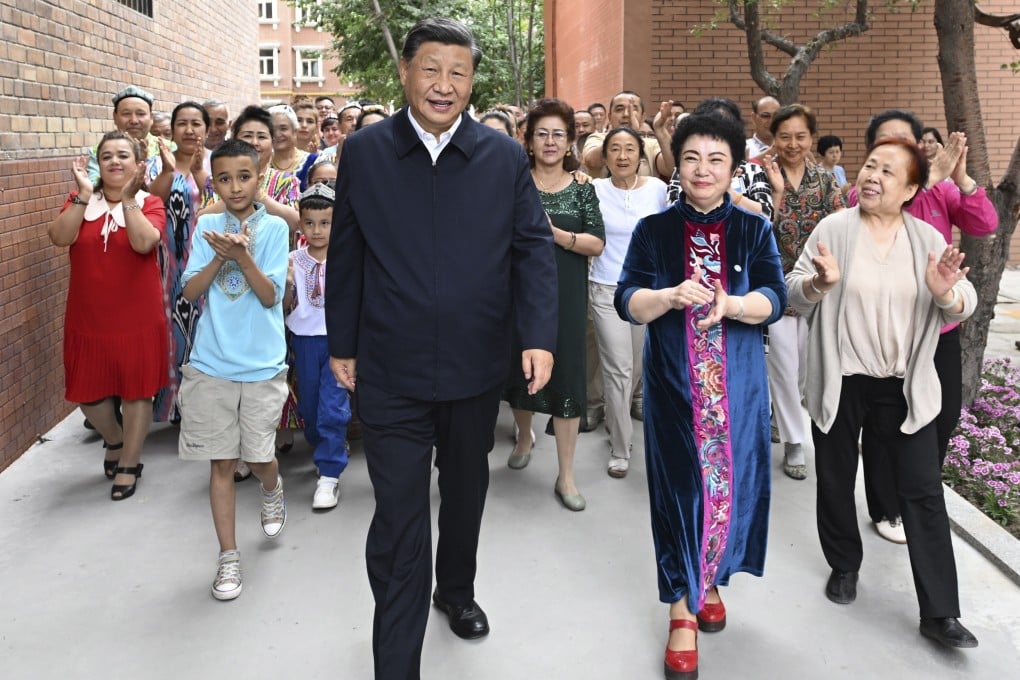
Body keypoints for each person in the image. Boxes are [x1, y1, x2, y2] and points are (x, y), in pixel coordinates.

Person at [325, 17, 557, 680]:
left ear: (472, 80)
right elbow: (347, 251)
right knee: (399, 519)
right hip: (390, 366)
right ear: (404, 72)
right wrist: (342, 339)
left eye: (458, 72)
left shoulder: (502, 156)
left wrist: (538, 334)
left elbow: (532, 249)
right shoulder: (366, 152)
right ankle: (396, 664)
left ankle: (455, 590)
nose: (444, 85)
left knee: (464, 489)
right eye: (431, 69)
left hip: (475, 364)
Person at [787, 137, 979, 650]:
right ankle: (844, 566)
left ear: (912, 188)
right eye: (870, 165)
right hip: (842, 379)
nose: (872, 176)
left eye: (888, 172)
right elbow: (794, 292)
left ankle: (940, 612)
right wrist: (817, 285)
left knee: (921, 490)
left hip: (902, 384)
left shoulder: (926, 238)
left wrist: (946, 293)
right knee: (834, 476)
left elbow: (964, 299)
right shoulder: (833, 229)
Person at [614, 113, 785, 680]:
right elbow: (627, 300)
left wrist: (734, 305)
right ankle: (681, 608)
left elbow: (774, 298)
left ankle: (709, 578)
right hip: (673, 390)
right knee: (681, 493)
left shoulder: (753, 229)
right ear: (675, 164)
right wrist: (665, 296)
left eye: (716, 159)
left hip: (736, 392)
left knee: (729, 490)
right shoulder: (653, 231)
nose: (703, 169)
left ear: (734, 167)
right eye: (691, 158)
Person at [849, 110, 997, 543]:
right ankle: (885, 506)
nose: (892, 153)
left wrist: (964, 180)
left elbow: (985, 224)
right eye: (882, 146)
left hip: (938, 331)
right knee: (882, 425)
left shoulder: (941, 192)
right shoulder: (862, 196)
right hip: (885, 335)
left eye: (904, 144)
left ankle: (918, 492)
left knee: (943, 414)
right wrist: (929, 179)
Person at [178, 139, 291, 601]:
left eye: (243, 177)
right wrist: (220, 255)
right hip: (211, 363)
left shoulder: (276, 230)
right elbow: (190, 294)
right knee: (222, 461)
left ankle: (272, 485)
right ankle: (228, 557)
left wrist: (241, 254)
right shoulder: (206, 226)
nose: (234, 186)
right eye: (223, 178)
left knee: (259, 455)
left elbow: (270, 297)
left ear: (258, 177)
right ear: (213, 182)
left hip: (262, 364)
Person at [48, 131, 168, 500]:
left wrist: (129, 200)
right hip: (88, 316)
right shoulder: (81, 200)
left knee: (137, 394)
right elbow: (59, 236)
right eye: (106, 156)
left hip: (137, 316)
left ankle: (129, 462)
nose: (114, 162)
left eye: (122, 156)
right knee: (88, 394)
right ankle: (115, 440)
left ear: (138, 164)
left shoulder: (150, 203)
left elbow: (144, 242)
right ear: (97, 164)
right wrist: (83, 197)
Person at [504, 98, 605, 511]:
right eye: (541, 133)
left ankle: (566, 474)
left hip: (567, 295)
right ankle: (524, 434)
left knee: (567, 379)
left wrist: (556, 234)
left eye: (557, 135)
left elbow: (597, 242)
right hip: (517, 294)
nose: (549, 141)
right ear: (528, 140)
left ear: (570, 142)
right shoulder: (513, 182)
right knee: (519, 370)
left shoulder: (582, 187)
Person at [761, 104, 842, 480]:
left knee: (806, 368)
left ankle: (783, 415)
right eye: (784, 136)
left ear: (811, 137)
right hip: (773, 285)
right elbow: (752, 226)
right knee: (782, 363)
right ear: (773, 137)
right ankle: (795, 441)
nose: (792, 144)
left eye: (800, 136)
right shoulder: (757, 174)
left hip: (814, 287)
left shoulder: (826, 182)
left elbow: (841, 231)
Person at [590, 128, 669, 478]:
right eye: (615, 149)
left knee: (636, 366)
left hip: (645, 293)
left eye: (630, 149)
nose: (622, 156)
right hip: (605, 289)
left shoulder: (657, 190)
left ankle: (619, 416)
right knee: (619, 368)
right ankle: (621, 446)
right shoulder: (592, 190)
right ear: (604, 157)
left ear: (641, 155)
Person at [283, 183, 351, 510]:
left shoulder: (347, 259)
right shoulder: (292, 260)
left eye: (325, 223)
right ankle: (323, 445)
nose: (318, 230)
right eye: (310, 222)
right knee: (310, 406)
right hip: (305, 343)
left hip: (339, 343)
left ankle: (329, 473)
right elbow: (283, 303)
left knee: (332, 407)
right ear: (300, 222)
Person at [147, 101, 214, 424]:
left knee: (205, 333)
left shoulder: (219, 163)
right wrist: (167, 170)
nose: (189, 130)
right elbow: (149, 201)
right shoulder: (154, 163)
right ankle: (172, 407)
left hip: (208, 264)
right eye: (182, 123)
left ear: (207, 128)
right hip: (166, 268)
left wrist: (202, 173)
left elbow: (221, 204)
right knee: (171, 334)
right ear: (172, 130)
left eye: (196, 123)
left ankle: (202, 409)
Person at [666, 98, 774, 220]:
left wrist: (728, 192)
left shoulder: (753, 170)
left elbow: (766, 216)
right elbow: (672, 214)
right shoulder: (685, 169)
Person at [581, 91, 676, 180]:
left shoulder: (651, 144)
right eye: (619, 109)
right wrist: (628, 133)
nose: (626, 114)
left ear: (643, 117)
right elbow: (591, 162)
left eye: (634, 109)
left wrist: (660, 130)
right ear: (609, 117)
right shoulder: (597, 138)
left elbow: (671, 169)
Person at [86, 85, 165, 185]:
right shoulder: (98, 152)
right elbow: (93, 188)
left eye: (140, 114)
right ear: (115, 117)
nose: (134, 121)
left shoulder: (168, 148)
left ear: (151, 118)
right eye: (126, 114)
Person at [269, 104, 316, 190]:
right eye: (272, 129)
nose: (277, 134)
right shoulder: (262, 164)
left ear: (294, 131)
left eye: (283, 128)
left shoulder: (314, 162)